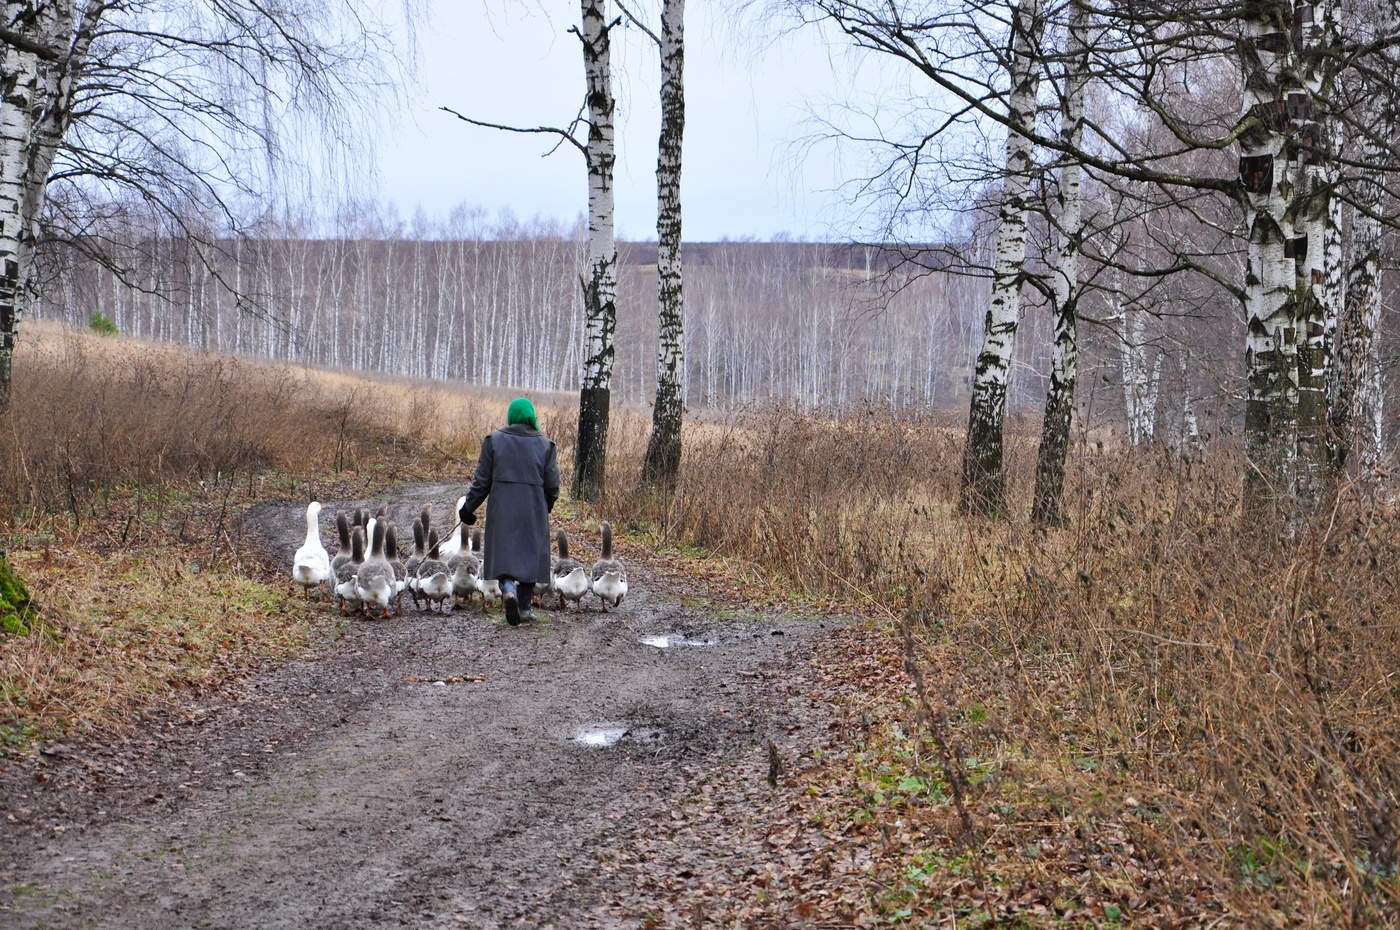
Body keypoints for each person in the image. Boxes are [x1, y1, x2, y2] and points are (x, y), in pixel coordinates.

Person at [459, 397, 561, 625]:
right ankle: (525, 609)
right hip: (534, 507)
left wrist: (468, 508)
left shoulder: (493, 441)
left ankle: (507, 590)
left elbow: (481, 482)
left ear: (511, 416)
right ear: (532, 416)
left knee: (505, 552)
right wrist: (546, 505)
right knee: (530, 555)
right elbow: (553, 485)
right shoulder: (546, 445)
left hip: (502, 507)